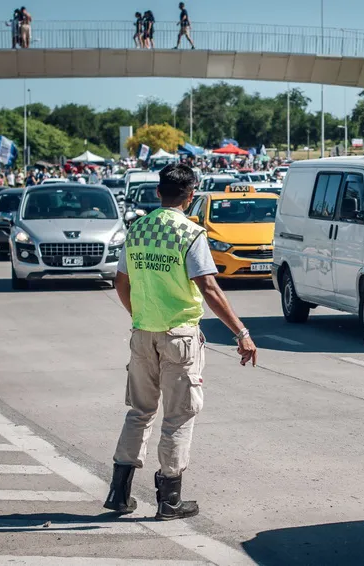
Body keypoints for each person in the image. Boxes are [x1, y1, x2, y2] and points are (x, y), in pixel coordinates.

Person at [105, 163, 258, 520]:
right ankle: (170, 500)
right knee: (178, 416)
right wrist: (241, 332)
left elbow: (120, 282)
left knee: (139, 412)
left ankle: (119, 493)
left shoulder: (137, 229)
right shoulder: (190, 233)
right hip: (179, 337)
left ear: (158, 192)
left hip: (142, 333)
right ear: (191, 196)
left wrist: (140, 315)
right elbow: (209, 288)